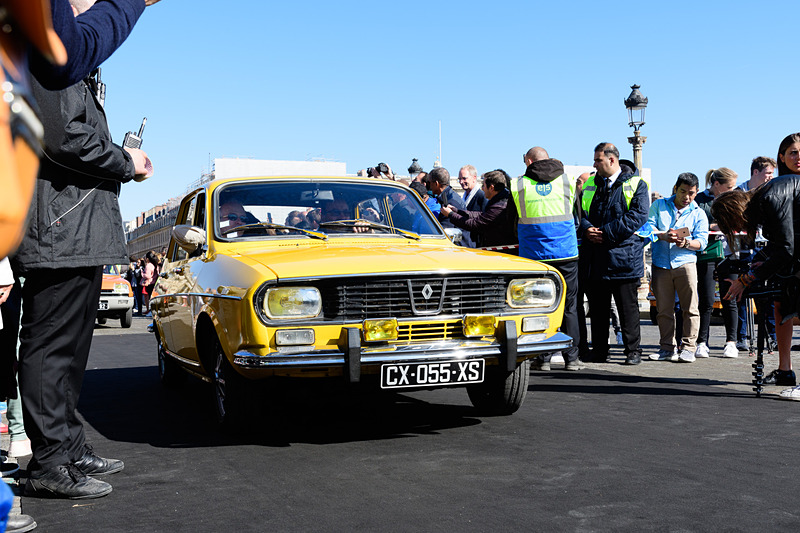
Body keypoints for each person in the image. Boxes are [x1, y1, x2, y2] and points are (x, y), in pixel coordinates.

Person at [11, 0, 153, 496]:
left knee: (70, 350)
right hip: (58, 225)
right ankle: (49, 463)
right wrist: (125, 161)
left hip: (75, 225)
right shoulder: (50, 52)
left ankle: (68, 447)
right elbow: (60, 137)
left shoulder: (72, 61)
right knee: (52, 347)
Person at [714, 134, 800, 396]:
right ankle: (785, 372)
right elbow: (783, 244)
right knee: (786, 307)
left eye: (735, 226)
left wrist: (747, 279)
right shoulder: (768, 196)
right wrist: (752, 271)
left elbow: (786, 248)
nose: (740, 230)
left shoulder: (770, 198)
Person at [510, 147, 582, 370]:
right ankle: (572, 358)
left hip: (534, 255)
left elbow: (512, 222)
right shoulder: (568, 182)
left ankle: (543, 358)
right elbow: (577, 217)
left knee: (539, 306)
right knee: (569, 306)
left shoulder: (519, 184)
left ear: (529, 161)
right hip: (566, 253)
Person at [579, 143, 649, 365]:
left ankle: (633, 351)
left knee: (627, 310)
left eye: (597, 160)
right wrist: (586, 228)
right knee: (598, 311)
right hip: (595, 258)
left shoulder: (637, 184)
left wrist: (605, 233)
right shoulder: (591, 183)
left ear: (611, 160)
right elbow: (578, 211)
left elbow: (637, 216)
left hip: (623, 258)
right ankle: (599, 350)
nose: (594, 164)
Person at [647, 173, 709, 363]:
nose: (687, 197)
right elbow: (648, 229)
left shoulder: (699, 213)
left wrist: (687, 243)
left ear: (696, 192)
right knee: (664, 309)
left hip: (686, 264)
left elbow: (703, 241)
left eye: (691, 193)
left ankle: (689, 347)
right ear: (675, 188)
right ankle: (666, 348)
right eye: (683, 191)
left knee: (690, 308)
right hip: (661, 264)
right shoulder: (658, 205)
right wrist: (662, 236)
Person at [735, 157, 778, 352]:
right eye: (768, 173)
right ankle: (741, 337)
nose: (771, 177)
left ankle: (773, 336)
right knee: (743, 293)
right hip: (745, 249)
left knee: (769, 296)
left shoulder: (772, 191)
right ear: (755, 172)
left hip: (766, 248)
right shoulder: (739, 193)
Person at [694, 168, 739, 358]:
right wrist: (715, 226)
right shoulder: (699, 200)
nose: (731, 190)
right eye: (728, 187)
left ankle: (731, 341)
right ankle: (702, 341)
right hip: (707, 253)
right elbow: (696, 223)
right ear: (716, 184)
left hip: (730, 254)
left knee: (730, 298)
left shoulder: (734, 198)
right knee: (706, 300)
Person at [439, 170, 518, 249]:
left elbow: (475, 224)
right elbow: (481, 215)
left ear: (491, 188)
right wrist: (457, 211)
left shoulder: (499, 206)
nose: (482, 189)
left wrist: (450, 215)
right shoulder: (499, 202)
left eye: (483, 185)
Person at [428, 167, 470, 246]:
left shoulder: (450, 202)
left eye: (430, 183)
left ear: (436, 184)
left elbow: (445, 230)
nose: (429, 186)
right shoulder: (449, 196)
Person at [457, 165, 485, 247]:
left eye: (464, 178)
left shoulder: (481, 197)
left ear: (474, 178)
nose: (461, 182)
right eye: (459, 179)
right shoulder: (464, 197)